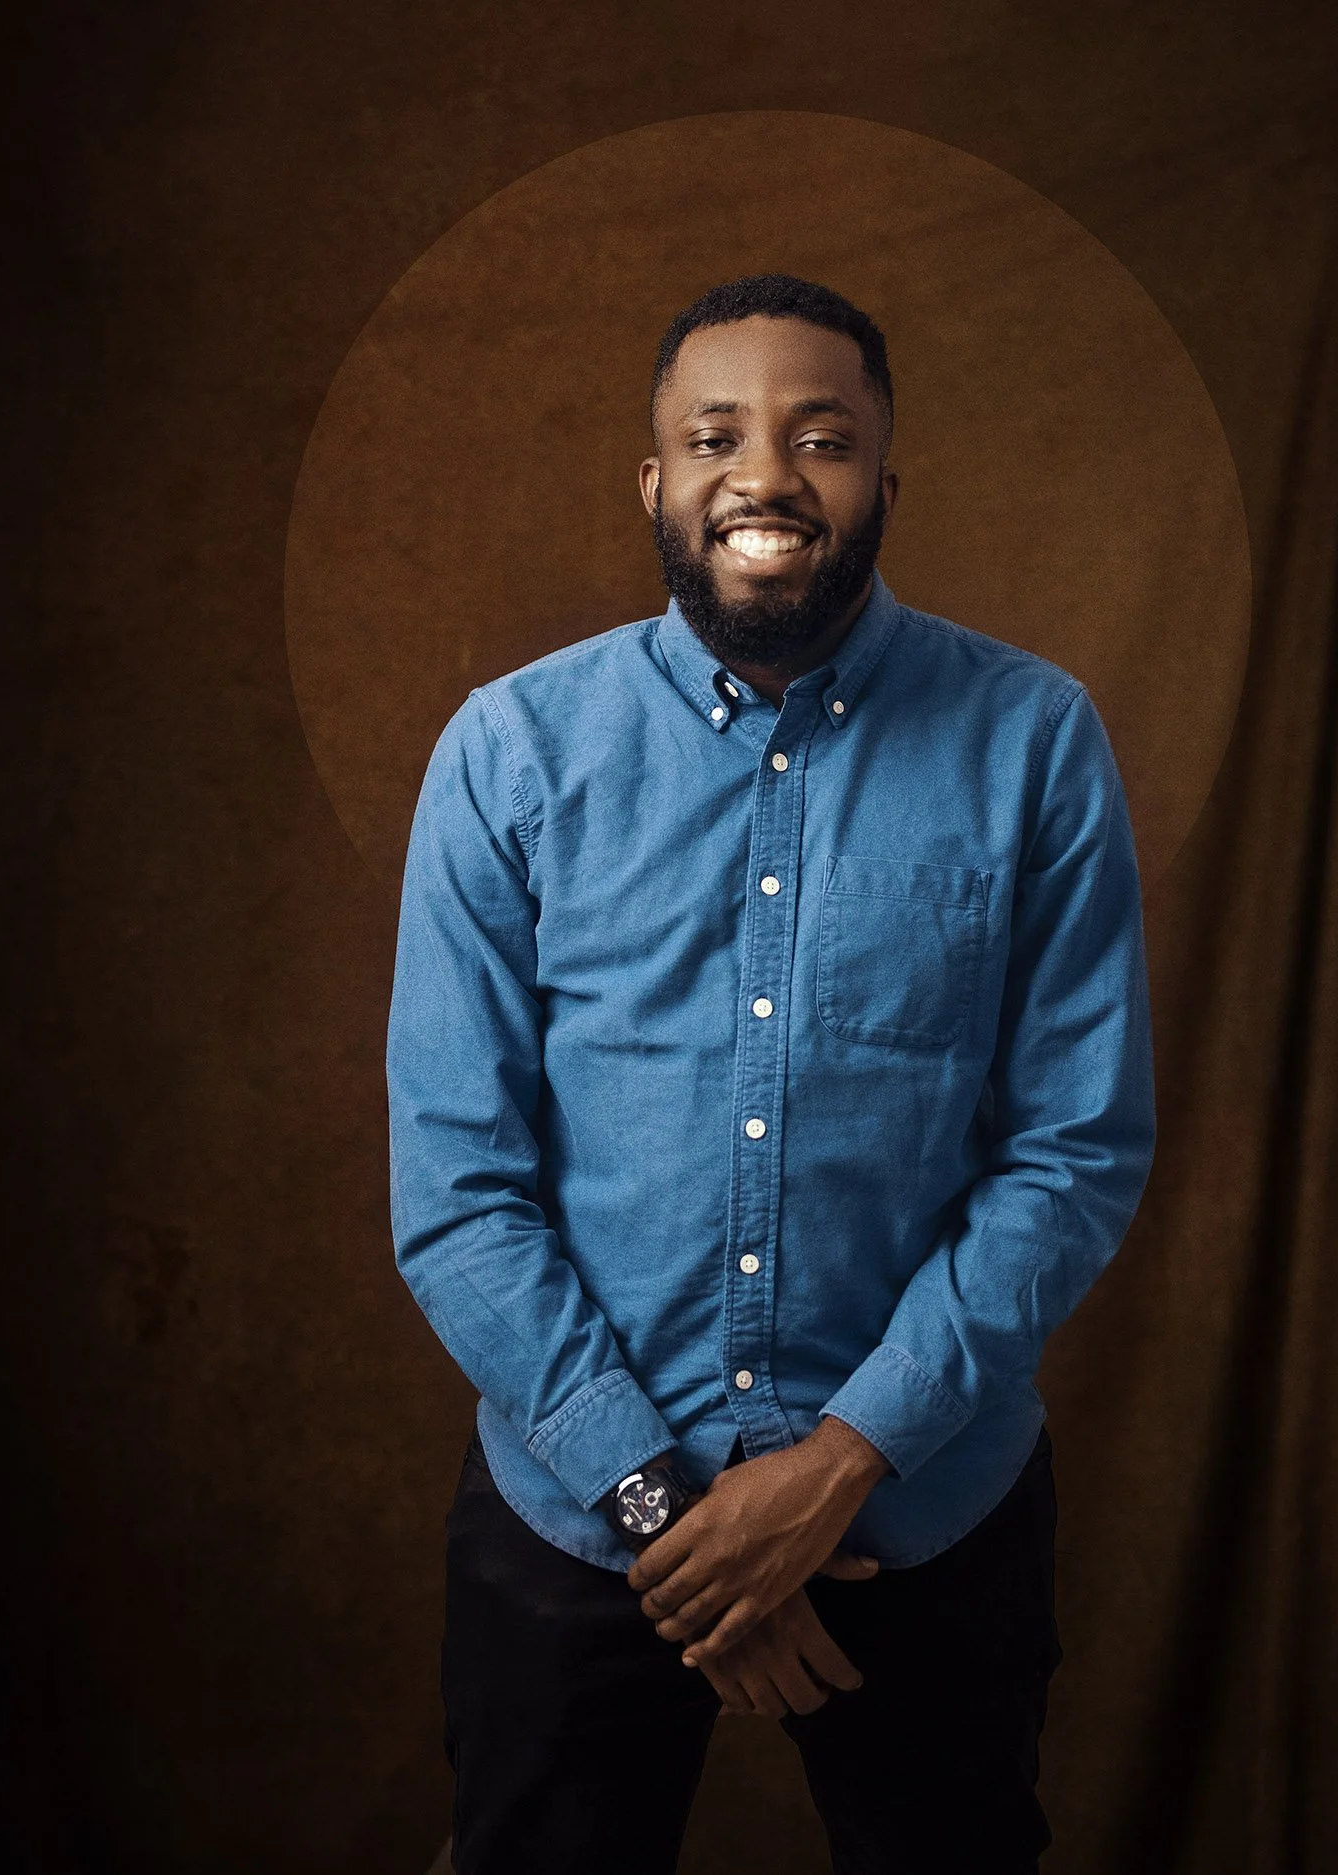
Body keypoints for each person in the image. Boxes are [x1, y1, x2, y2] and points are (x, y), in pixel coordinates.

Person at [386, 273, 1156, 1875]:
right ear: (655, 480)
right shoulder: (509, 752)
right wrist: (683, 1525)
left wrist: (837, 1466)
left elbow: (1076, 1151)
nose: (768, 476)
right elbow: (456, 1194)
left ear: (887, 477)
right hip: (577, 1518)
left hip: (923, 1517)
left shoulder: (1035, 740)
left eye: (824, 437)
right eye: (715, 434)